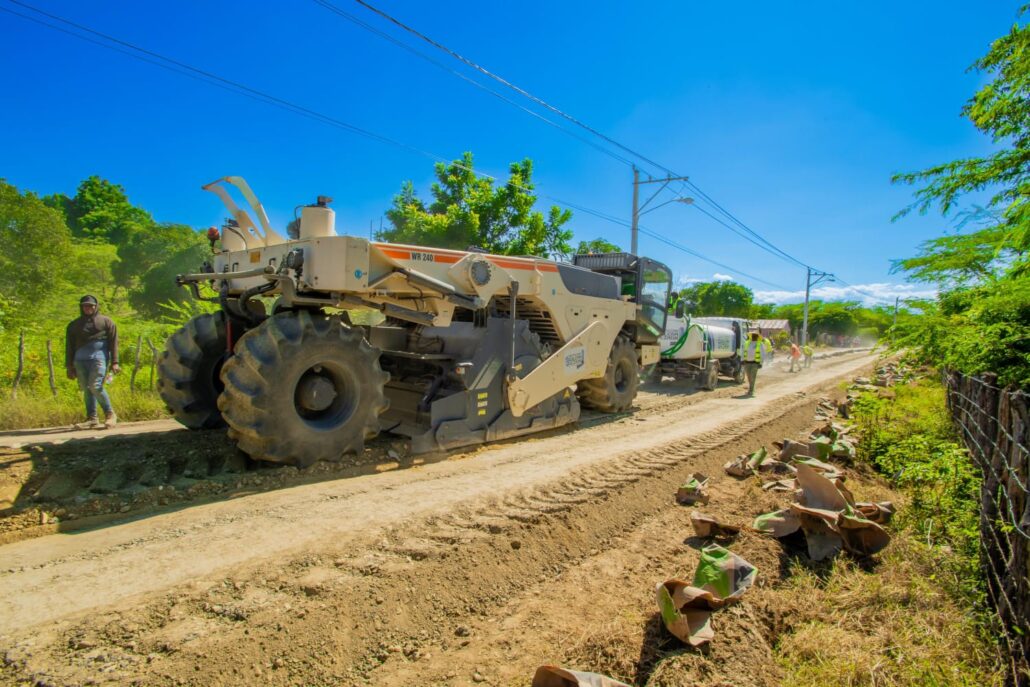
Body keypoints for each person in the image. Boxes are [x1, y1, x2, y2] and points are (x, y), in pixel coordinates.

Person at [65, 295, 120, 428]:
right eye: (85, 306)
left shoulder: (106, 322)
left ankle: (110, 414)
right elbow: (69, 346)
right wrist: (69, 366)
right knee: (86, 388)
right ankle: (92, 418)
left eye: (91, 306)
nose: (88, 308)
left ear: (96, 306)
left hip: (99, 358)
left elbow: (114, 342)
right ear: (81, 307)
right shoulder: (73, 325)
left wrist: (115, 362)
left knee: (95, 385)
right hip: (80, 360)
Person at [741, 331, 765, 396]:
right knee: (749, 377)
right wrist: (742, 360)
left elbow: (763, 354)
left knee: (752, 377)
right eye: (753, 335)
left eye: (755, 335)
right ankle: (751, 389)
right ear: (751, 336)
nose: (754, 336)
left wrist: (761, 363)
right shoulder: (747, 343)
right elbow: (743, 351)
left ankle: (751, 391)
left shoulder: (760, 344)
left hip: (755, 363)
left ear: (757, 337)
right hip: (747, 363)